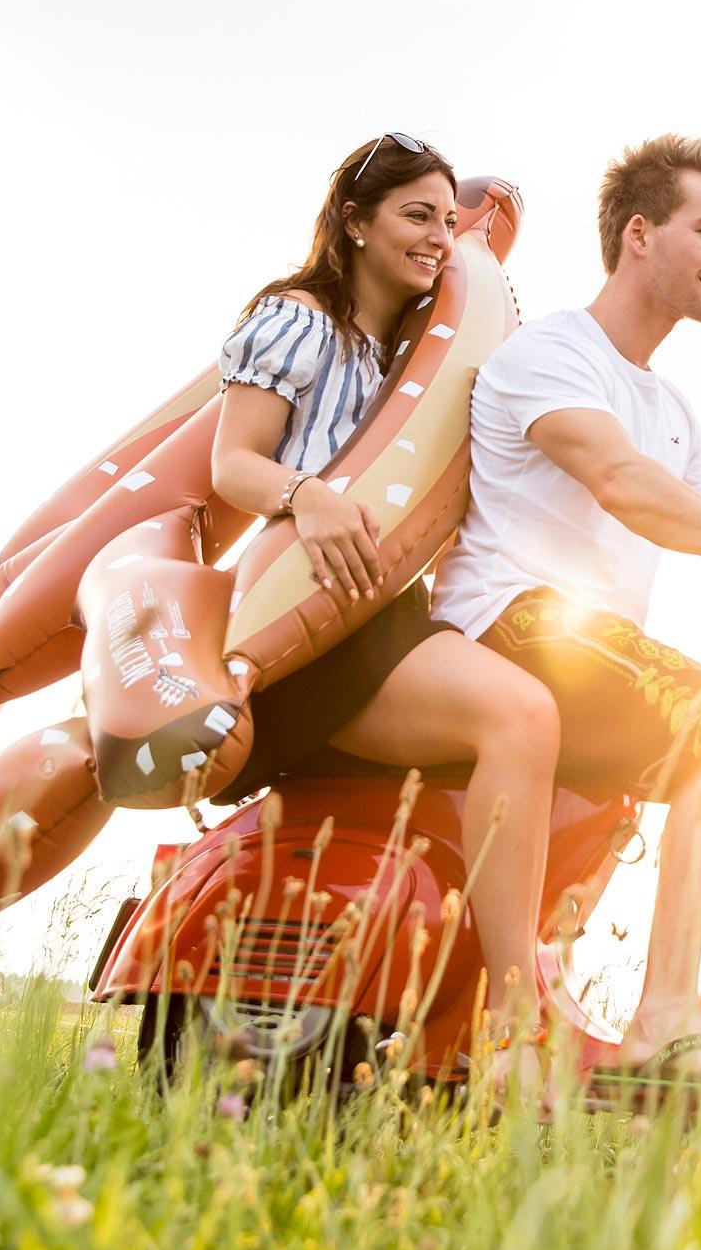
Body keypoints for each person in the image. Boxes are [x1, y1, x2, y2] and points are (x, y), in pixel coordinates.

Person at [431, 134, 701, 1089]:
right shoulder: (552, 353)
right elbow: (619, 479)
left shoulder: (671, 406)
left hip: (594, 644)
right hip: (513, 622)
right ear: (639, 235)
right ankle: (663, 1014)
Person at [209, 133, 560, 1090]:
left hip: (386, 616)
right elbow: (230, 462)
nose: (440, 238)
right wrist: (307, 496)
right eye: (416, 215)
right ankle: (517, 1013)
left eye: (450, 221)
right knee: (520, 717)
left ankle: (467, 1001)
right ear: (355, 223)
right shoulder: (298, 320)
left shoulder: (413, 356)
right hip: (315, 631)